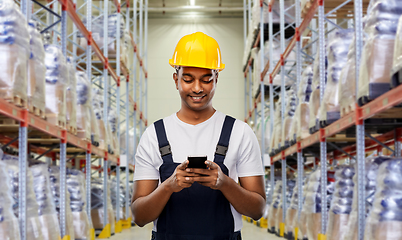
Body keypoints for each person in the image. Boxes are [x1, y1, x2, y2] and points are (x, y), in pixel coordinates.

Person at [131, 32, 266, 240]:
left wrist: (225, 183)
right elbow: (139, 216)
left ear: (216, 78)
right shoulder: (154, 136)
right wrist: (169, 185)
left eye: (206, 79)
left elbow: (257, 210)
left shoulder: (240, 133)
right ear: (176, 79)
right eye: (187, 79)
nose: (197, 88)